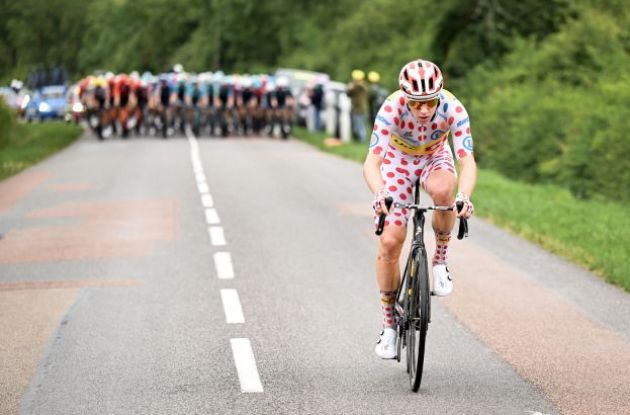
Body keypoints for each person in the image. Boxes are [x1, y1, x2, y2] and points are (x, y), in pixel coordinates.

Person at [364, 59, 476, 359]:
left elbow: (467, 160)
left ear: (439, 95)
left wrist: (464, 195)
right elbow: (372, 162)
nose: (424, 110)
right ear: (405, 97)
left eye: (430, 102)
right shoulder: (391, 108)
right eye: (417, 103)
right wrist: (380, 193)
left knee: (443, 191)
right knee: (389, 242)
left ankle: (439, 261)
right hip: (398, 162)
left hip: (435, 157)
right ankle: (389, 325)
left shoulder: (453, 108)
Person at [346, 69, 369, 142]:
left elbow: (349, 91)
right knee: (358, 126)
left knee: (360, 126)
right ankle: (359, 139)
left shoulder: (359, 87)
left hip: (359, 110)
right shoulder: (362, 86)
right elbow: (348, 93)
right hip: (359, 109)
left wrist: (352, 85)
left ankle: (362, 140)